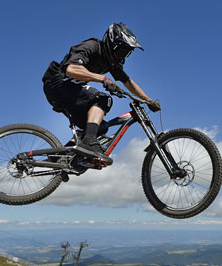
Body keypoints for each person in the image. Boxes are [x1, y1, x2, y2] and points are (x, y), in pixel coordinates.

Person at [42, 23, 160, 165]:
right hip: (57, 83)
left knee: (98, 127)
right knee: (102, 99)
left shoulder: (112, 63)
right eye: (122, 51)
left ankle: (60, 158)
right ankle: (89, 142)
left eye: (127, 53)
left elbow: (128, 82)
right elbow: (71, 69)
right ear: (112, 44)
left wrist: (148, 100)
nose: (123, 57)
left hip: (69, 91)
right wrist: (103, 78)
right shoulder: (92, 46)